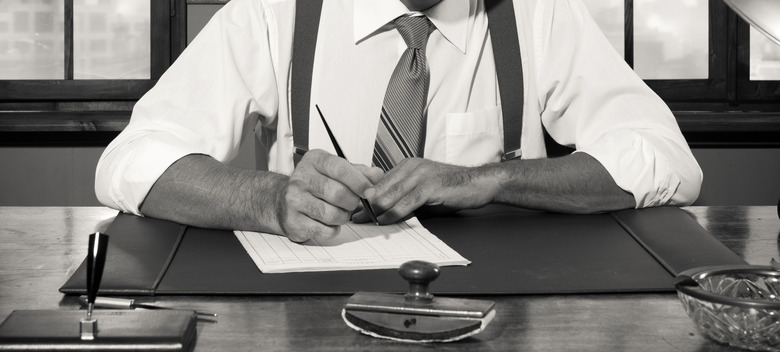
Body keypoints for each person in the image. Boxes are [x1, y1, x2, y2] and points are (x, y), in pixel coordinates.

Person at [95, 0, 703, 243]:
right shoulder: (275, 10)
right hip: (308, 322)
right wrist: (267, 198)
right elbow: (131, 160)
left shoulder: (537, 12)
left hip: (505, 322)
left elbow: (667, 161)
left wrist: (492, 180)